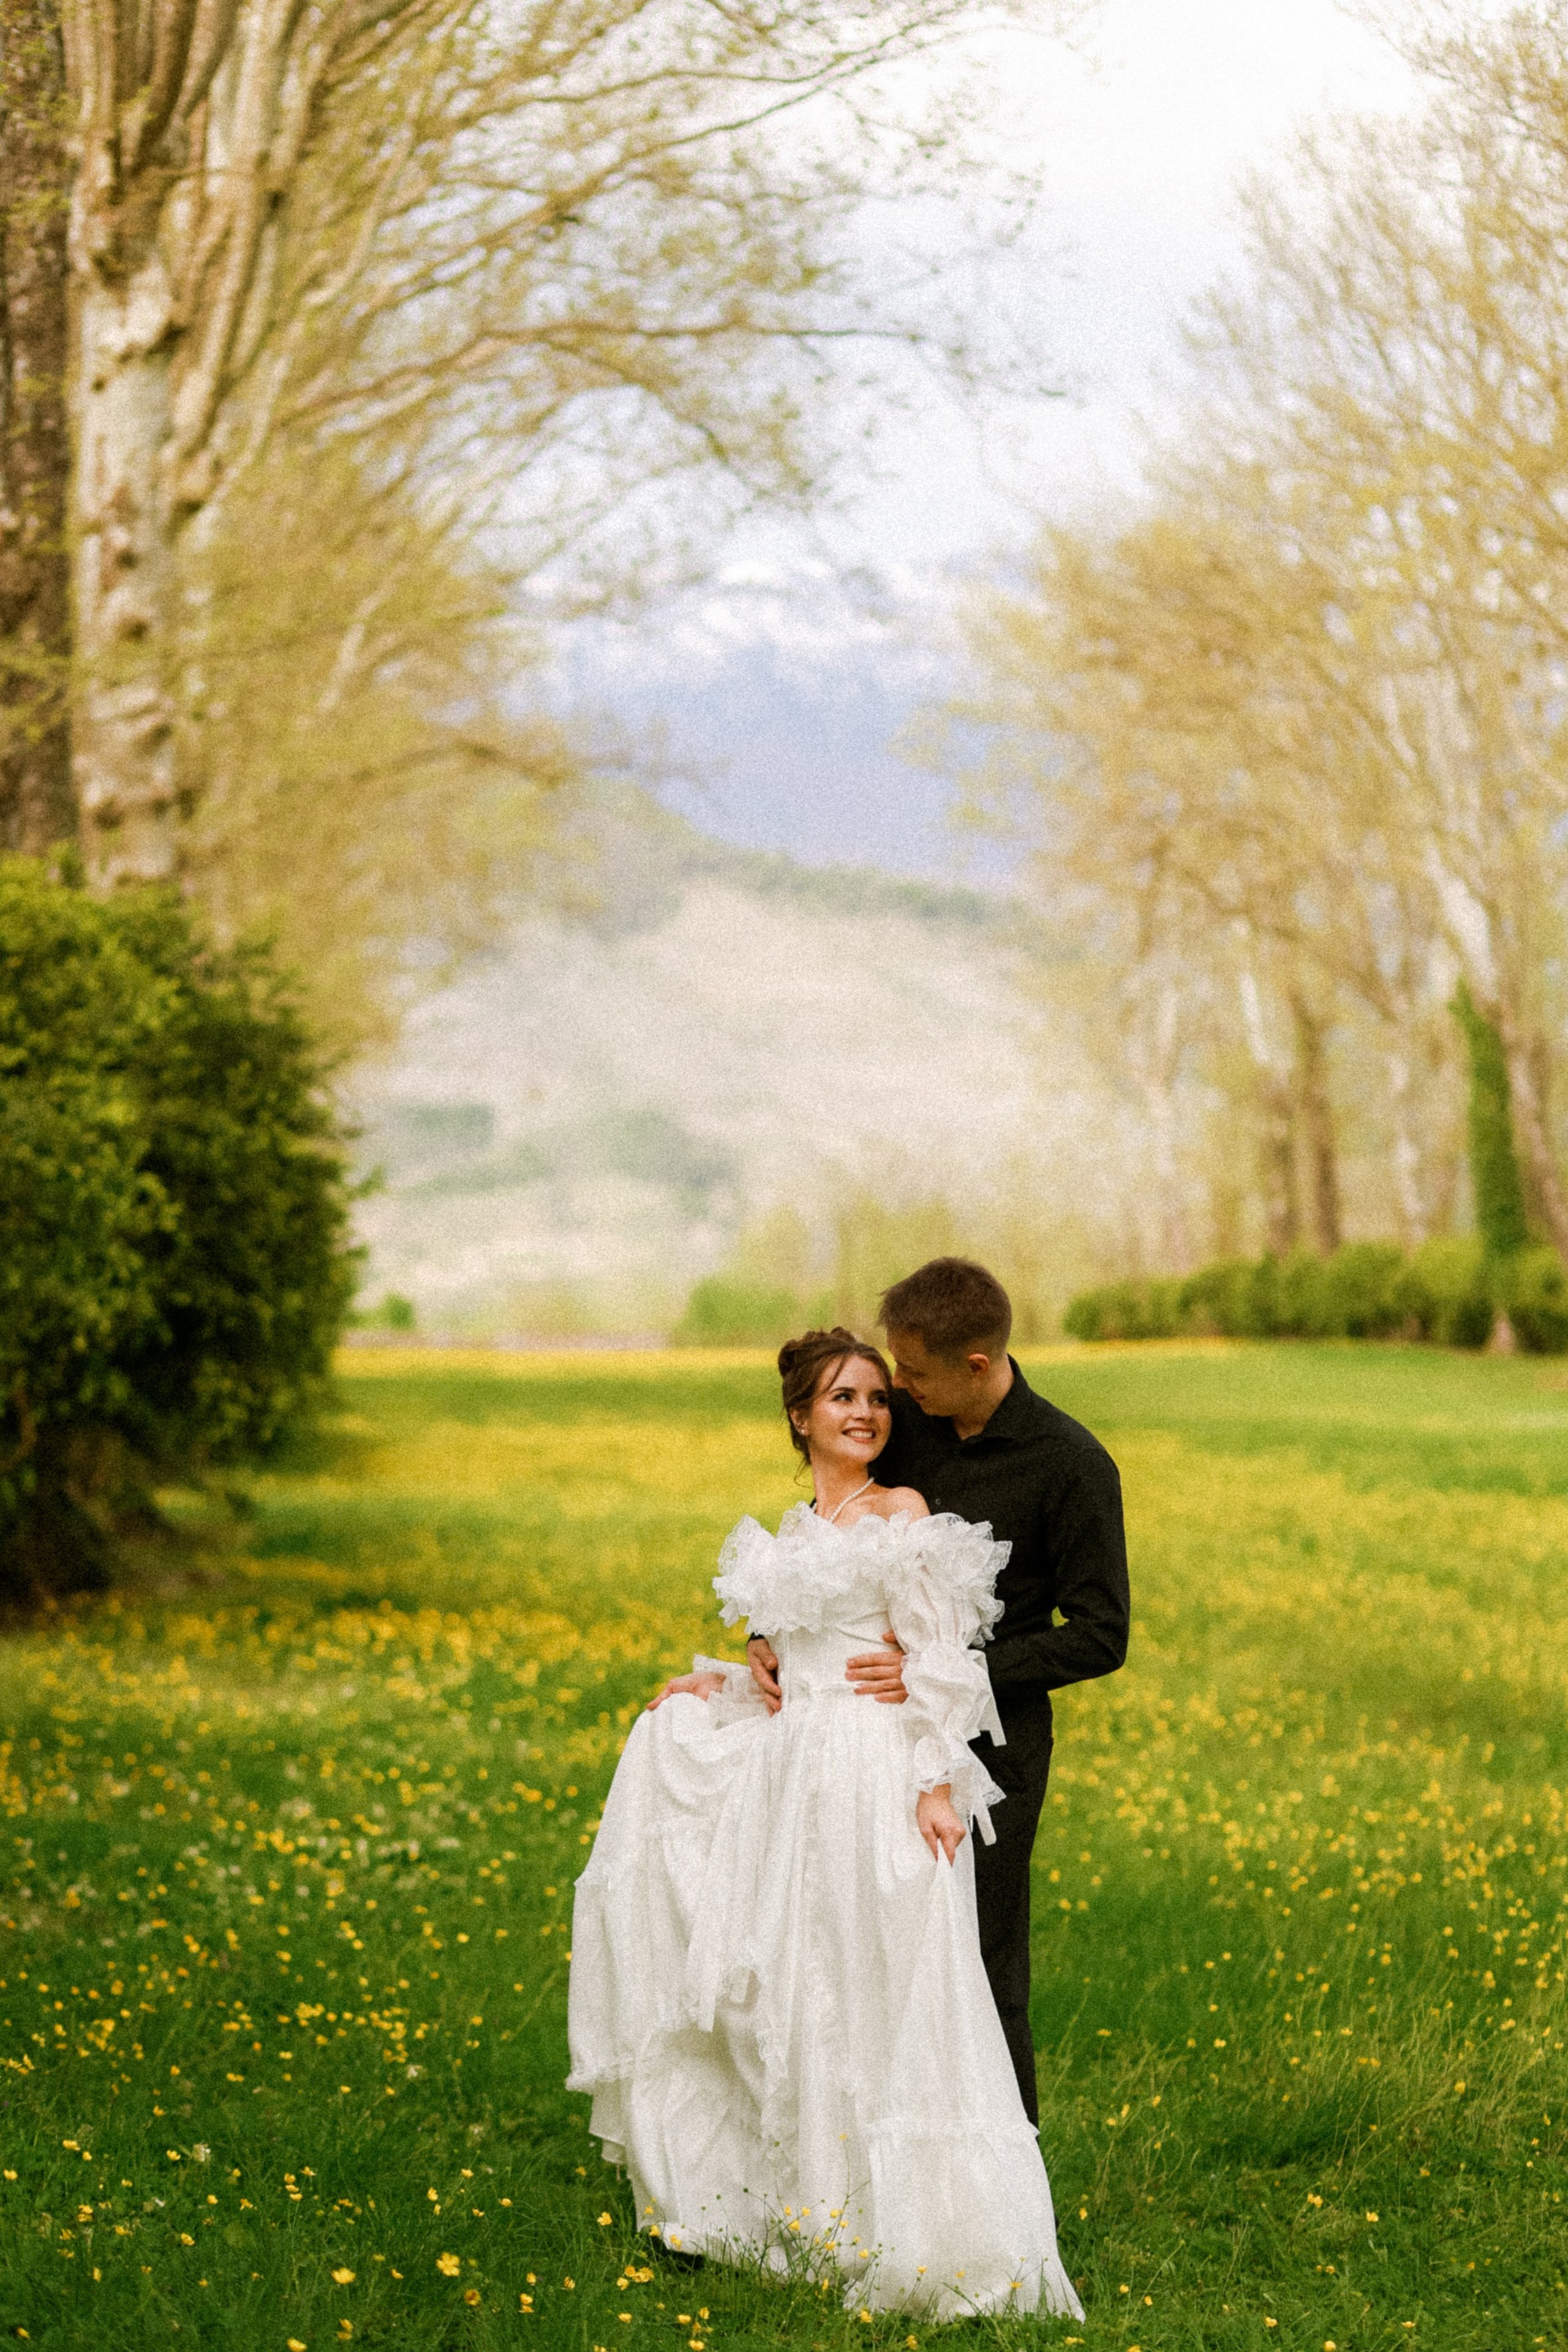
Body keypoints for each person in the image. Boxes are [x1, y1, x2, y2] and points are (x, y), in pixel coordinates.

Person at [567, 1327, 1084, 2321]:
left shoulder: (904, 1513)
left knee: (876, 1980)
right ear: (801, 1417)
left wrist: (936, 1782)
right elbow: (786, 1673)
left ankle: (914, 2221)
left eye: (879, 1399)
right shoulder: (788, 1534)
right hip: (792, 1778)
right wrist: (713, 1680)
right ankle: (789, 2204)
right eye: (844, 1397)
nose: (867, 1413)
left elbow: (937, 1658)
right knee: (786, 1981)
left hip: (873, 1770)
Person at [745, 1259, 1129, 2124]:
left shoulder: (1070, 1465)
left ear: (979, 1367)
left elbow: (1104, 1634)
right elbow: (834, 1533)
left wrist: (947, 1671)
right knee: (870, 1952)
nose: (894, 1395)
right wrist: (767, 1634)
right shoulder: (912, 1424)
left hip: (993, 1750)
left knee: (981, 1962)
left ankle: (1004, 2174)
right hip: (867, 1744)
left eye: (911, 1376)